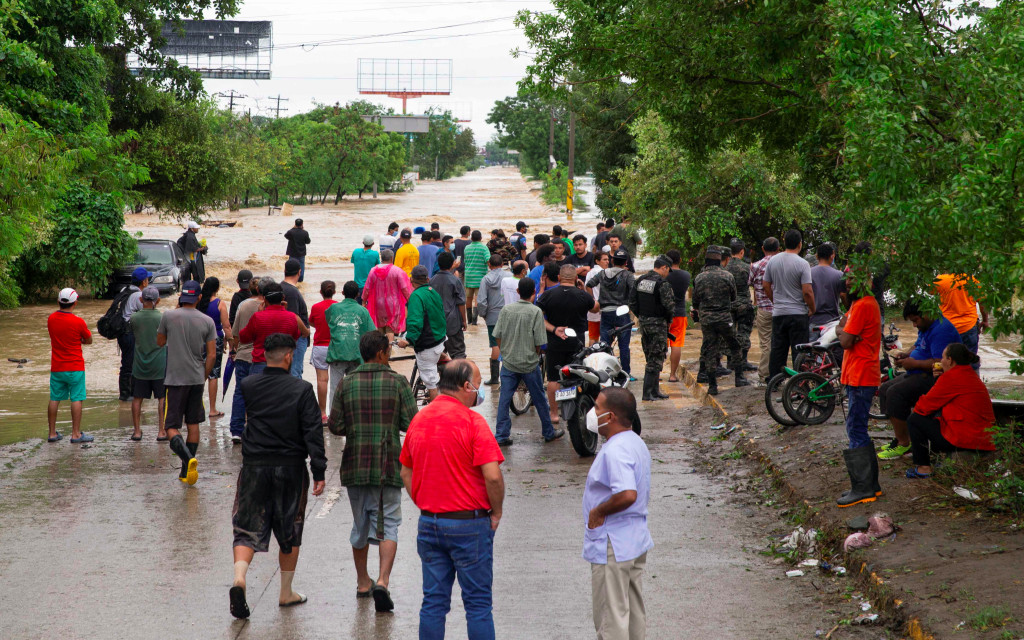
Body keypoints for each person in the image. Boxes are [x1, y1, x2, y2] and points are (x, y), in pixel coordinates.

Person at [399, 360, 505, 639]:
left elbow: (405, 471)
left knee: (433, 603)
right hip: (470, 526)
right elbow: (493, 477)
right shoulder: (473, 422)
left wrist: (425, 503)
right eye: (478, 385)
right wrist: (496, 513)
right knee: (478, 605)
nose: (480, 390)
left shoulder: (420, 419)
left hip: (430, 524)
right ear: (466, 386)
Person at [229, 333, 327, 619]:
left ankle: (239, 578)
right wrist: (319, 470)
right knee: (290, 529)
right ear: (289, 356)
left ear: (264, 355)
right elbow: (312, 433)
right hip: (290, 468)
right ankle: (285, 592)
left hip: (254, 466)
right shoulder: (302, 390)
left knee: (246, 527)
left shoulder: (248, 385)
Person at [328, 331, 417, 612]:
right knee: (388, 523)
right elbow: (412, 423)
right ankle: (382, 581)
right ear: (380, 353)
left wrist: (356, 426)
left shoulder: (346, 382)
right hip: (388, 464)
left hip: (355, 464)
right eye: (388, 350)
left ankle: (362, 583)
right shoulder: (398, 382)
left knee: (360, 524)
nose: (389, 354)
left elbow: (335, 425)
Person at [583, 387, 652, 640]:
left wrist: (598, 511)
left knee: (611, 618)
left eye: (597, 408)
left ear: (610, 416)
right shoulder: (635, 442)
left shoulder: (616, 450)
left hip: (614, 543)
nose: (593, 413)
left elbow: (627, 494)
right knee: (632, 611)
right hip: (633, 539)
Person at [876, 300, 962, 460]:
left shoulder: (941, 330)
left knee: (895, 393)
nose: (914, 325)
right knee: (884, 389)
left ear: (927, 313)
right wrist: (906, 355)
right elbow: (917, 345)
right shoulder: (926, 326)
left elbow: (941, 363)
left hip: (935, 378)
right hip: (918, 372)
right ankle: (902, 437)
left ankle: (904, 444)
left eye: (915, 320)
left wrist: (914, 363)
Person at [157, 280, 217, 485]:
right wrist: (204, 376)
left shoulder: (168, 316)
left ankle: (188, 459)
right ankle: (185, 472)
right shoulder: (207, 321)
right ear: (199, 297)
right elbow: (211, 355)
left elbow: (160, 342)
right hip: (196, 378)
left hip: (175, 379)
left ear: (181, 296)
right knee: (193, 423)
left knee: (171, 427)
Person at [906, 343, 996, 478]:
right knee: (935, 415)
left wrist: (941, 380)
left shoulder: (951, 377)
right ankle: (936, 460)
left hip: (966, 439)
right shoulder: (969, 374)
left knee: (914, 419)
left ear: (950, 360)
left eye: (943, 357)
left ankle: (923, 468)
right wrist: (939, 379)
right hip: (983, 438)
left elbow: (923, 407)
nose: (940, 361)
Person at [493, 278, 562, 446]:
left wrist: (505, 352)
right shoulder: (536, 312)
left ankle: (501, 435)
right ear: (534, 292)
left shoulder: (506, 310)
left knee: (504, 400)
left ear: (517, 292)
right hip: (530, 363)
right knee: (539, 399)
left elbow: (497, 336)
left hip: (509, 363)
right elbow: (539, 342)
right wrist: (534, 355)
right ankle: (548, 432)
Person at [834, 275, 882, 507]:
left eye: (852, 281)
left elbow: (844, 341)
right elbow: (843, 330)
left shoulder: (863, 305)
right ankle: (870, 484)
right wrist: (844, 330)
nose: (847, 286)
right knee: (857, 427)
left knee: (856, 428)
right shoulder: (858, 304)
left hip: (862, 376)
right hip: (856, 374)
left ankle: (863, 488)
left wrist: (844, 331)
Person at [539, 265, 599, 426]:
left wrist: (554, 329)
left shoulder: (548, 295)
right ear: (575, 278)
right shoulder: (582, 295)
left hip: (554, 342)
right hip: (576, 344)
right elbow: (596, 308)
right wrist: (584, 290)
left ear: (559, 278)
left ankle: (554, 414)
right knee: (577, 377)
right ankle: (577, 410)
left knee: (553, 379)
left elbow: (537, 317)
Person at [692, 247, 749, 395]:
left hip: (707, 320)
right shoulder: (728, 276)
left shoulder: (699, 278)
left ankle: (712, 386)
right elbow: (733, 297)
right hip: (725, 318)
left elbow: (695, 301)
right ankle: (739, 378)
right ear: (720, 260)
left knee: (710, 350)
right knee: (735, 346)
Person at [763, 229, 815, 379]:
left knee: (778, 350)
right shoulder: (803, 264)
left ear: (784, 242)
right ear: (800, 244)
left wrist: (775, 301)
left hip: (779, 313)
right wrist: (812, 308)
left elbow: (766, 285)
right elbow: (807, 291)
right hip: (798, 313)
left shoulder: (773, 261)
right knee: (799, 352)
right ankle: (799, 383)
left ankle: (775, 381)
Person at [47, 288, 94, 443]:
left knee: (54, 398)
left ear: (58, 302)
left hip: (57, 367)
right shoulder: (78, 322)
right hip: (75, 367)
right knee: (76, 398)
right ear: (75, 303)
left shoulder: (51, 319)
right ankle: (75, 434)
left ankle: (52, 433)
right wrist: (80, 340)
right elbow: (89, 340)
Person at [323, 281, 377, 408]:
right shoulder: (363, 311)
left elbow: (328, 320)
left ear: (342, 293)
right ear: (358, 294)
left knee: (335, 389)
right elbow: (373, 332)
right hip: (356, 355)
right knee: (356, 390)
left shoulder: (333, 308)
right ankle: (355, 415)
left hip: (337, 354)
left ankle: (334, 417)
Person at [238, 282, 308, 378]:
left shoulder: (258, 317)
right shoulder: (292, 317)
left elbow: (243, 338)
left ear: (264, 299)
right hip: (283, 366)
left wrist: (259, 313)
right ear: (283, 298)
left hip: (261, 363)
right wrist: (285, 311)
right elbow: (295, 337)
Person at [629, 256, 675, 401]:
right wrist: (668, 320)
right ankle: (648, 393)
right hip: (658, 324)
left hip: (644, 324)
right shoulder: (662, 283)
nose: (667, 274)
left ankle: (655, 391)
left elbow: (632, 302)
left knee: (651, 355)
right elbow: (669, 306)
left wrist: (642, 317)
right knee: (656, 357)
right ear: (664, 267)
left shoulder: (640, 280)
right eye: (668, 270)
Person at [399, 266, 448, 402]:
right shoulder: (433, 292)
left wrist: (408, 340)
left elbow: (415, 322)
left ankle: (435, 411)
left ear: (411, 280)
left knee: (431, 383)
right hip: (440, 338)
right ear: (427, 279)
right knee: (435, 366)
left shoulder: (416, 296)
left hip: (428, 344)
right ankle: (448, 363)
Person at [230, 277, 269, 443]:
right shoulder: (268, 307)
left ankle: (236, 430)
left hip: (243, 355)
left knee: (240, 391)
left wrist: (235, 350)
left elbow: (235, 333)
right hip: (261, 357)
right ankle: (258, 429)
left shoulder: (244, 305)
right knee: (261, 395)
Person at [587, 250, 637, 378]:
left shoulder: (602, 273)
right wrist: (632, 306)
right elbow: (634, 291)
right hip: (622, 313)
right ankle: (626, 373)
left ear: (613, 261)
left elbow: (589, 285)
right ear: (626, 262)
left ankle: (604, 373)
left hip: (606, 313)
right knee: (624, 346)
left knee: (605, 344)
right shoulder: (627, 275)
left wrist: (593, 300)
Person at [129, 286, 167, 441]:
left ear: (140, 299)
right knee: (162, 397)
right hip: (159, 365)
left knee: (137, 398)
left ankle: (137, 432)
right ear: (158, 300)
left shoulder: (134, 318)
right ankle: (161, 431)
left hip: (140, 365)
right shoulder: (162, 318)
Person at [933, 273, 989, 367]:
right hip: (969, 326)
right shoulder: (972, 280)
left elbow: (929, 291)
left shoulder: (941, 279)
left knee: (947, 361)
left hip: (948, 327)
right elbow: (983, 303)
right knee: (971, 360)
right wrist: (985, 320)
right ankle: (973, 375)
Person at [116, 267, 151, 401]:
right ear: (144, 282)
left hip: (122, 332)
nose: (148, 281)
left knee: (127, 362)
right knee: (131, 364)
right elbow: (147, 314)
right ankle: (128, 394)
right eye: (147, 279)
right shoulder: (139, 296)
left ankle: (126, 393)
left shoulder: (125, 290)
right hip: (130, 333)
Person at [198, 277, 232, 418]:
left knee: (197, 371)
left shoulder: (198, 301)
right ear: (217, 289)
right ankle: (212, 409)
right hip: (215, 339)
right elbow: (226, 326)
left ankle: (195, 406)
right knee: (213, 374)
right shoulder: (220, 304)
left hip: (198, 339)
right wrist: (230, 343)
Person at [362, 248, 413, 335]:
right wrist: (410, 301)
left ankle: (381, 343)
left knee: (380, 327)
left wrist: (364, 301)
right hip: (393, 304)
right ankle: (390, 343)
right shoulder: (397, 271)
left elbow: (367, 288)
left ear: (381, 258)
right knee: (390, 328)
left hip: (378, 303)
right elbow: (405, 288)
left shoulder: (373, 270)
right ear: (392, 258)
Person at [749, 237, 779, 383]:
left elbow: (749, 282)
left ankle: (764, 375)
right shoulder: (782, 265)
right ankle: (778, 374)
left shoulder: (755, 266)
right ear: (778, 249)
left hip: (764, 309)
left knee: (766, 343)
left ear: (763, 248)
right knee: (779, 343)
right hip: (781, 309)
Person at [308, 280, 339, 422]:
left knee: (322, 380)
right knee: (337, 380)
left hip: (320, 346)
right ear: (334, 292)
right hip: (336, 346)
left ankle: (322, 413)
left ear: (320, 292)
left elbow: (311, 322)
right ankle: (336, 413)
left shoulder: (316, 307)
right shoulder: (338, 306)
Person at [476, 253, 509, 385]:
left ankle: (495, 378)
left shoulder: (486, 279)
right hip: (509, 314)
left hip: (492, 316)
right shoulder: (509, 276)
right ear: (502, 264)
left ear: (489, 265)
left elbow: (481, 301)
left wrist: (483, 314)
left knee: (495, 344)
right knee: (509, 344)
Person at [726, 240, 758, 372]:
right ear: (742, 251)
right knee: (744, 332)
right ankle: (742, 360)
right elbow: (754, 284)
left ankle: (730, 361)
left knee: (729, 333)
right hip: (744, 304)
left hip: (729, 304)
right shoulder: (747, 267)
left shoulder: (725, 267)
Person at [430, 252, 468, 359]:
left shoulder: (432, 281)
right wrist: (464, 321)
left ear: (438, 263)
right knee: (458, 354)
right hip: (453, 323)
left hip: (436, 324)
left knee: (438, 355)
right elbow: (461, 303)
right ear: (452, 264)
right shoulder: (455, 280)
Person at [665, 250, 691, 383]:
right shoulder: (686, 275)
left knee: (661, 343)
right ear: (680, 260)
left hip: (664, 313)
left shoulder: (663, 275)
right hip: (679, 313)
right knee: (676, 344)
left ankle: (656, 373)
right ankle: (672, 375)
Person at [282, 258, 311, 378]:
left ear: (284, 271)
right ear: (299, 272)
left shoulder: (281, 287)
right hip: (296, 338)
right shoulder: (292, 291)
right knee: (295, 372)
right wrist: (306, 331)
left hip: (286, 337)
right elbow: (294, 316)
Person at [809, 243, 843, 335]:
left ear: (817, 256)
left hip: (813, 320)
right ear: (832, 256)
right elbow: (843, 296)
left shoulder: (808, 273)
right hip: (832, 320)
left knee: (813, 344)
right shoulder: (839, 275)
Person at [463, 230, 491, 325]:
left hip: (468, 276)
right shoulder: (484, 248)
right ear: (481, 238)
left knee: (468, 298)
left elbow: (465, 261)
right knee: (477, 299)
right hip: (480, 278)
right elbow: (488, 260)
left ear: (471, 238)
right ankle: (475, 321)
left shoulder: (467, 248)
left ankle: (469, 320)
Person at [586, 252, 610, 346]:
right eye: (604, 259)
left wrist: (592, 300)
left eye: (608, 259)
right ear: (597, 261)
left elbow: (586, 287)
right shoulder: (604, 273)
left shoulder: (590, 272)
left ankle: (592, 353)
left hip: (592, 307)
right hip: (604, 307)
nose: (607, 262)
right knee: (606, 336)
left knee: (593, 336)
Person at [284, 218, 311, 282]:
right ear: (302, 224)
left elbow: (286, 236)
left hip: (292, 253)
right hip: (301, 253)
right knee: (301, 267)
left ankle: (291, 280)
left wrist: (293, 228)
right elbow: (308, 242)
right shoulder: (305, 232)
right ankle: (300, 280)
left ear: (295, 224)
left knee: (291, 267)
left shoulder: (291, 232)